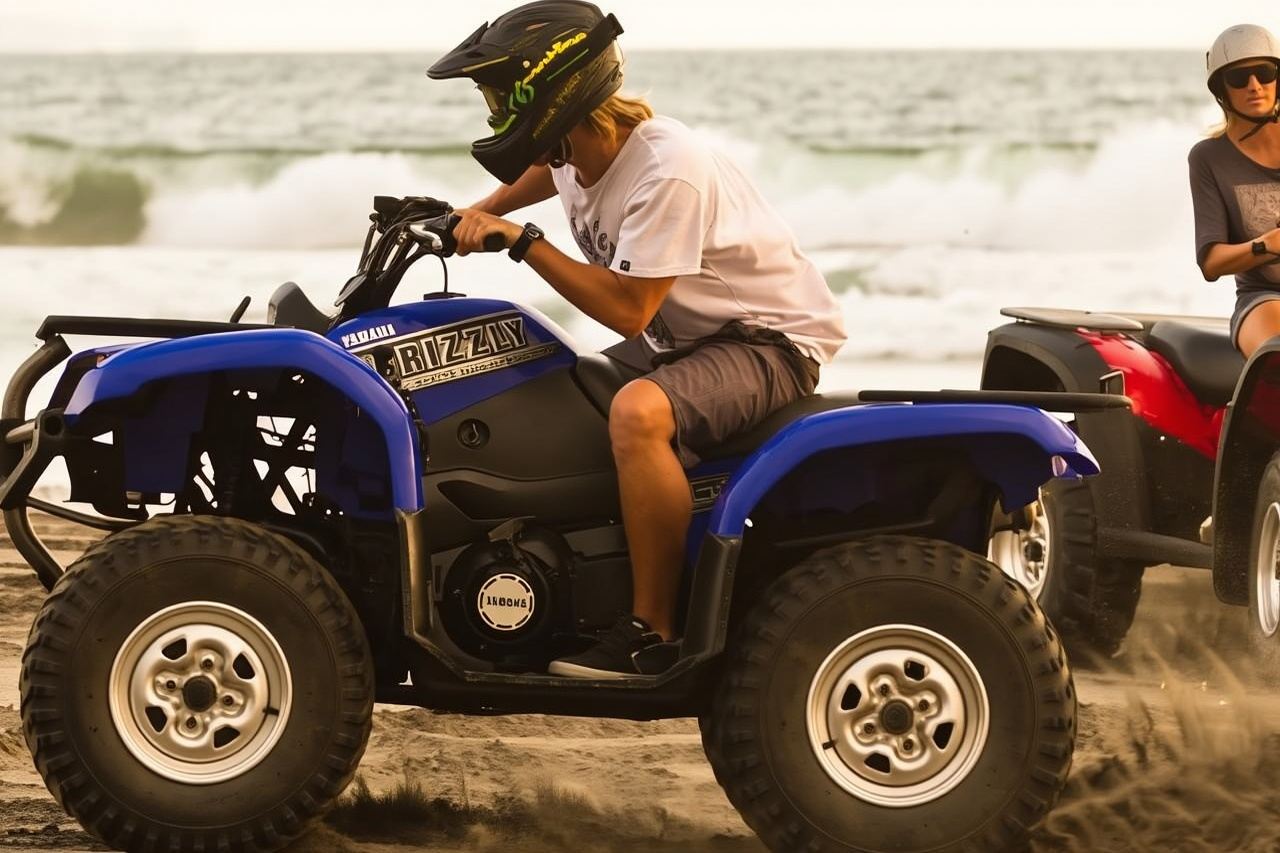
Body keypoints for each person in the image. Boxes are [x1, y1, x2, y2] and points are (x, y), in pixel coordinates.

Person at [428, 0, 846, 678]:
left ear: (552, 95)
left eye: (501, 96)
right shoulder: (573, 148)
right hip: (686, 339)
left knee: (636, 413)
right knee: (548, 386)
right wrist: (473, 212)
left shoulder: (667, 169)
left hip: (767, 341)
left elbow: (627, 310)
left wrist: (520, 242)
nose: (492, 112)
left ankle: (654, 630)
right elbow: (550, 175)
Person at [1190, 24, 1280, 357]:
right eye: (1239, 78)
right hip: (1264, 297)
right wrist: (1266, 244)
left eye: (1265, 73)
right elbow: (1211, 263)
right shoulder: (1209, 158)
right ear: (1222, 90)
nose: (1255, 86)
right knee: (1276, 355)